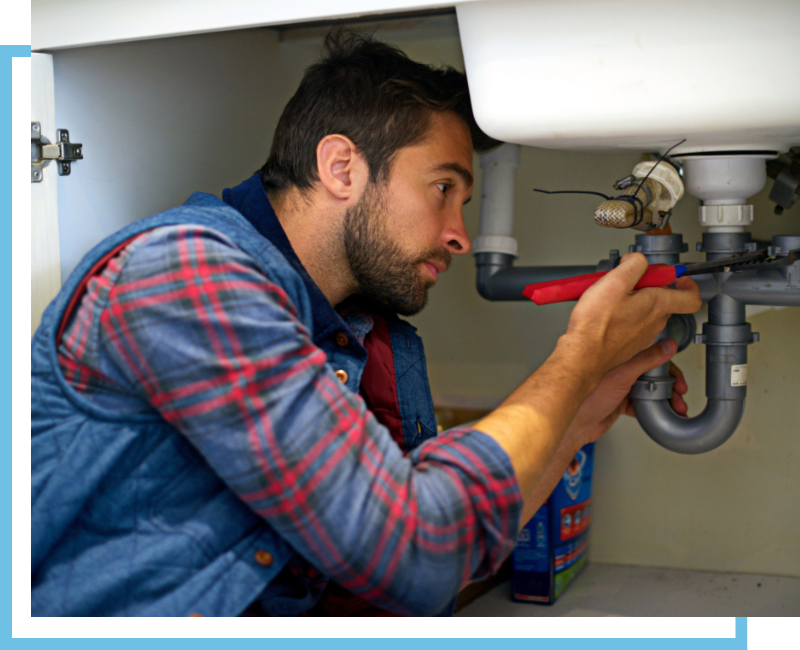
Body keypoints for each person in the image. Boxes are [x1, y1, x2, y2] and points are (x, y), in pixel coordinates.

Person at [30, 31, 700, 617]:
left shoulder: (362, 332)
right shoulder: (187, 275)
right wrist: (578, 355)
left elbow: (443, 530)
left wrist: (583, 406)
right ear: (342, 167)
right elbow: (413, 552)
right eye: (443, 189)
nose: (459, 236)